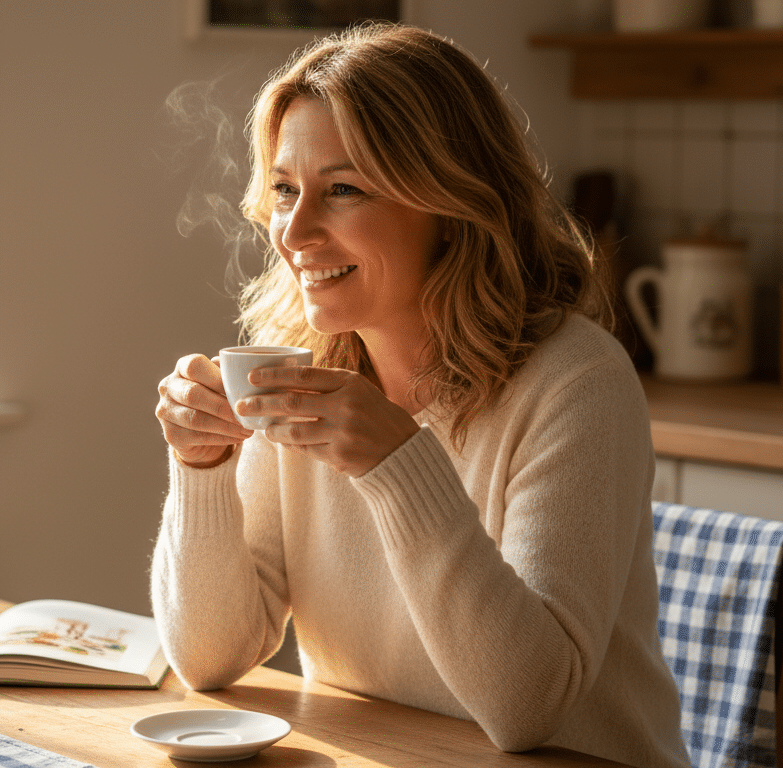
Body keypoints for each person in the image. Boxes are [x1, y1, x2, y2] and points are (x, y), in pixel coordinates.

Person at [152, 22, 690, 768]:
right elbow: (209, 659)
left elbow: (528, 707)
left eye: (343, 189)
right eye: (284, 190)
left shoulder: (577, 383)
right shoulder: (302, 370)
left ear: (451, 200)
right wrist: (202, 468)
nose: (294, 232)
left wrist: (398, 465)